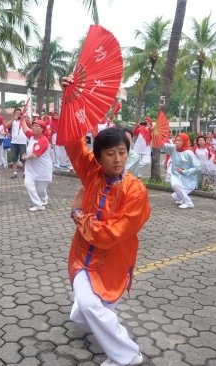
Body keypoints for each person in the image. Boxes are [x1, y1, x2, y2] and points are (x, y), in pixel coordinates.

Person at [60, 97, 151, 364]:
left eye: (122, 152)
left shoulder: (136, 191)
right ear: (98, 157)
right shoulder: (92, 172)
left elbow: (110, 234)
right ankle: (127, 353)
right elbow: (72, 142)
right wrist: (70, 100)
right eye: (110, 153)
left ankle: (122, 350)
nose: (117, 159)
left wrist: (78, 215)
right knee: (88, 307)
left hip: (113, 261)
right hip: (81, 256)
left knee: (88, 309)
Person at [21, 117, 53, 211]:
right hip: (31, 169)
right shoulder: (32, 136)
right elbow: (25, 129)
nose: (33, 128)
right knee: (28, 184)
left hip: (42, 169)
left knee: (40, 190)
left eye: (36, 126)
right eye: (33, 126)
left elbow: (35, 155)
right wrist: (22, 118)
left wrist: (25, 158)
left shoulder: (43, 140)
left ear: (42, 129)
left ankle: (44, 198)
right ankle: (38, 205)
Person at [165, 133, 200, 208]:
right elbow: (162, 145)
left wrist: (185, 171)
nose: (177, 142)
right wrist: (155, 134)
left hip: (188, 179)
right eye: (176, 140)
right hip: (176, 175)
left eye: (179, 141)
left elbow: (198, 167)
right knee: (174, 190)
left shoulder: (189, 153)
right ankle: (186, 201)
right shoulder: (173, 148)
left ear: (184, 141)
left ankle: (188, 202)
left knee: (175, 192)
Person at [7, 108, 28, 179]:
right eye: (16, 113)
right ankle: (15, 173)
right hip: (14, 142)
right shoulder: (13, 121)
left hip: (22, 142)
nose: (18, 114)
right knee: (14, 158)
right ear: (14, 113)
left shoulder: (23, 120)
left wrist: (25, 117)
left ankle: (25, 172)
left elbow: (30, 124)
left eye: (19, 113)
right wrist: (14, 119)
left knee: (24, 158)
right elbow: (7, 126)